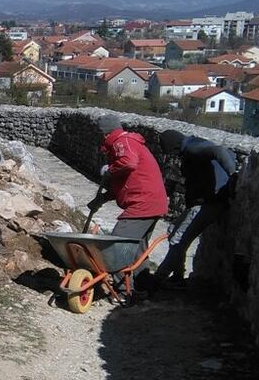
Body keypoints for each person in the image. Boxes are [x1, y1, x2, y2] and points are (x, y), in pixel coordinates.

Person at [153, 129, 237, 288]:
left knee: (178, 239)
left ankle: (157, 280)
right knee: (173, 232)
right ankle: (177, 277)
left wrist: (233, 175)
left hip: (208, 203)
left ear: (174, 147)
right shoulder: (195, 145)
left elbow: (219, 151)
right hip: (206, 202)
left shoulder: (193, 149)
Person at [88, 115, 169, 248]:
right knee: (135, 250)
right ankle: (139, 270)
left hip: (142, 204)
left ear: (105, 134)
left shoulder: (123, 142)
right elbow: (125, 183)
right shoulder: (124, 143)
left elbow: (129, 163)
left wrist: (110, 170)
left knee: (116, 246)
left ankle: (116, 270)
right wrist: (102, 198)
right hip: (150, 202)